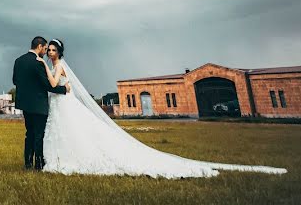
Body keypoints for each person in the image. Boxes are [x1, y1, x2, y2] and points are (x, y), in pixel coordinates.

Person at [35, 38, 287, 177]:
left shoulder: (56, 66)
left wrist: (45, 67)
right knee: (70, 132)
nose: (51, 53)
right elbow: (61, 86)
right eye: (50, 50)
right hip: (61, 104)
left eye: (54, 50)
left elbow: (55, 82)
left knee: (74, 131)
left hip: (64, 104)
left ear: (58, 53)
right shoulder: (58, 64)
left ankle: (70, 159)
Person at [12, 36, 71, 170]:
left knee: (29, 133)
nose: (46, 52)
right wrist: (64, 89)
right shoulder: (38, 63)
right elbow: (48, 85)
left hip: (25, 105)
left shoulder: (18, 61)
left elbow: (15, 81)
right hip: (38, 104)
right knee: (39, 135)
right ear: (39, 47)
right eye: (45, 49)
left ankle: (27, 163)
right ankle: (38, 164)